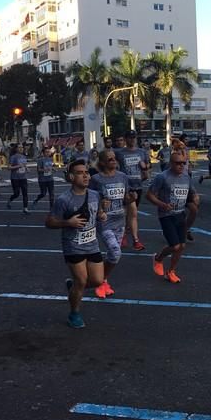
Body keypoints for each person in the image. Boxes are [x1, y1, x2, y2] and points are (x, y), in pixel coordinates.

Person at [45, 159, 107, 328]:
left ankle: (73, 287)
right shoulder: (64, 199)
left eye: (87, 172)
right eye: (80, 173)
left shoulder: (94, 194)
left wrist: (102, 215)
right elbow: (49, 222)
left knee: (97, 281)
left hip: (92, 244)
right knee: (82, 280)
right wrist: (68, 223)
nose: (86, 175)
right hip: (73, 245)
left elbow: (99, 211)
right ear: (71, 177)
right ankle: (74, 314)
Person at [147, 151, 196, 283]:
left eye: (183, 163)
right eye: (177, 163)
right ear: (170, 163)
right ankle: (158, 258)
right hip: (166, 215)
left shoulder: (186, 177)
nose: (181, 165)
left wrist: (195, 198)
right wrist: (162, 204)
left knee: (182, 246)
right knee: (175, 246)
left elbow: (191, 193)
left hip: (180, 214)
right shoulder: (162, 177)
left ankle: (171, 271)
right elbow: (150, 195)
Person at [90, 150, 133, 297]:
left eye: (114, 158)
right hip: (105, 221)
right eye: (110, 159)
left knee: (111, 254)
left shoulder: (122, 177)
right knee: (115, 252)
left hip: (120, 220)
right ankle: (100, 280)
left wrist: (131, 198)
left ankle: (103, 280)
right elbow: (89, 200)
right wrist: (100, 205)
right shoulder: (96, 179)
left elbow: (126, 198)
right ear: (102, 163)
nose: (114, 161)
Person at [117, 130, 147, 251]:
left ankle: (123, 233)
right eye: (129, 137)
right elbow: (113, 166)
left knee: (131, 213)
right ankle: (135, 240)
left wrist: (145, 168)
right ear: (126, 139)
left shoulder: (142, 152)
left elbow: (147, 166)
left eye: (134, 137)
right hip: (125, 186)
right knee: (132, 212)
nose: (132, 139)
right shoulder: (120, 153)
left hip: (138, 185)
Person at [7, 144, 30, 214]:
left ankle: (25, 208)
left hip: (23, 177)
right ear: (16, 149)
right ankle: (10, 200)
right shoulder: (13, 157)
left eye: (22, 147)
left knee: (25, 193)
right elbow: (9, 167)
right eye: (19, 147)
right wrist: (18, 166)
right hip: (15, 178)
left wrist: (27, 168)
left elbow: (24, 165)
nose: (21, 149)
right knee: (16, 193)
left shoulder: (24, 157)